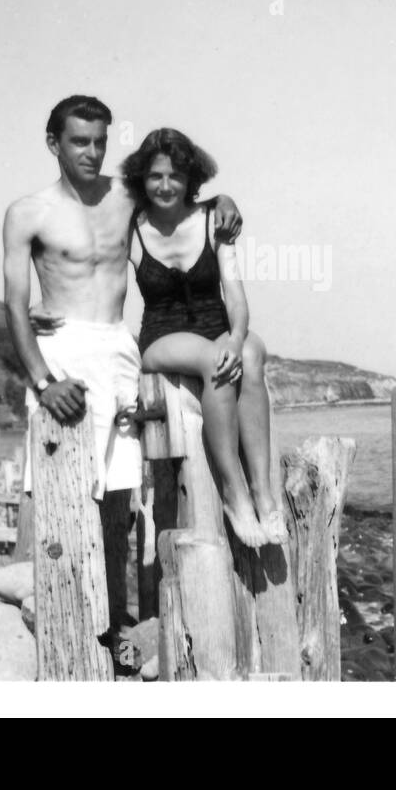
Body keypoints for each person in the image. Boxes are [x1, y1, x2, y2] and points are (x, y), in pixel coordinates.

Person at [2, 95, 241, 633]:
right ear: (53, 145)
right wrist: (42, 380)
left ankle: (108, 626)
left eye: (100, 141)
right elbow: (15, 304)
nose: (92, 152)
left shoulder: (125, 197)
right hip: (63, 351)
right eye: (79, 141)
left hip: (117, 349)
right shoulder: (27, 213)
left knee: (117, 495)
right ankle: (65, 625)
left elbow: (177, 192)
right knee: (62, 491)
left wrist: (223, 198)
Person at [121, 128, 283, 548]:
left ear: (190, 178)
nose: (165, 185)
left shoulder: (215, 219)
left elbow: (236, 295)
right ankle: (234, 493)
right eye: (155, 176)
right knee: (216, 361)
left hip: (217, 325)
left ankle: (264, 494)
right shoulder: (131, 230)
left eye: (175, 176)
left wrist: (236, 337)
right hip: (162, 336)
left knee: (250, 352)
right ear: (142, 179)